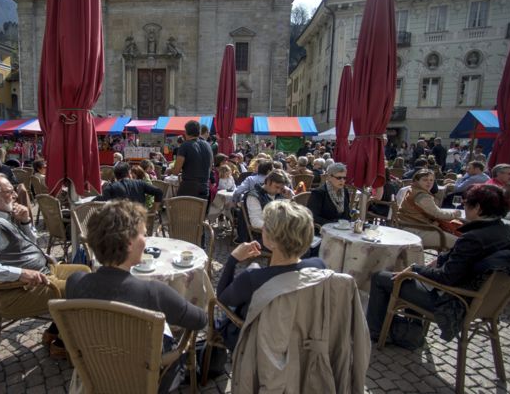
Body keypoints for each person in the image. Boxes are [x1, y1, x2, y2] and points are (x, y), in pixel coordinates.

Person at [66, 200, 206, 393]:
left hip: (97, 369)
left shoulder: (75, 282)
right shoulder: (154, 293)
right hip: (143, 377)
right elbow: (200, 320)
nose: (146, 240)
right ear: (129, 244)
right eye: (143, 234)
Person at [366, 184, 510, 342]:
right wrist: (439, 260)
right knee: (414, 277)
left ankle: (377, 331)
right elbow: (465, 260)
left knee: (381, 278)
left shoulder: (474, 238)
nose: (464, 206)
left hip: (454, 301)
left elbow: (446, 277)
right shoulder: (508, 232)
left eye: (466, 203)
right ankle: (409, 330)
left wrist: (415, 268)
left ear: (478, 208)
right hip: (485, 301)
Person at [0, 173, 90, 351]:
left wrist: (25, 222)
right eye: (9, 191)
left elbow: (29, 245)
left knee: (84, 272)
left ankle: (54, 331)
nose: (15, 195)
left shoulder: (2, 216)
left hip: (40, 272)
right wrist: (21, 273)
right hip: (16, 291)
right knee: (85, 288)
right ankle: (61, 346)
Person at [217, 200, 326, 350]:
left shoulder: (253, 279)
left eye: (265, 226)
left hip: (256, 340)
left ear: (273, 240)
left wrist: (233, 259)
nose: (262, 227)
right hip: (299, 338)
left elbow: (221, 299)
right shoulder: (319, 265)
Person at [398, 169, 461, 248]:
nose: (429, 182)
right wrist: (454, 214)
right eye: (425, 180)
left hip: (408, 226)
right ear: (417, 181)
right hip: (416, 231)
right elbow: (438, 214)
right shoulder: (422, 196)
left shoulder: (412, 189)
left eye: (431, 180)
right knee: (459, 242)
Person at [168, 120, 213, 201]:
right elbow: (210, 166)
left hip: (188, 188)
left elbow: (176, 171)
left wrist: (169, 170)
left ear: (186, 132)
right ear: (199, 132)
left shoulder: (184, 146)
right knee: (200, 210)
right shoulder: (207, 145)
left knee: (179, 208)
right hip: (204, 187)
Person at [96, 162, 163, 211]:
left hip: (121, 223)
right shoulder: (141, 183)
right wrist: (154, 210)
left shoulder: (111, 187)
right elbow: (159, 192)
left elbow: (98, 202)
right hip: (140, 220)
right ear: (129, 173)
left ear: (115, 176)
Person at [306, 163, 352, 227]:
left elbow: (347, 215)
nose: (342, 180)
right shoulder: (319, 193)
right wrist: (334, 225)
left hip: (342, 228)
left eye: (344, 178)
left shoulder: (345, 191)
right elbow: (313, 216)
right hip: (322, 229)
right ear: (329, 177)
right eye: (339, 178)